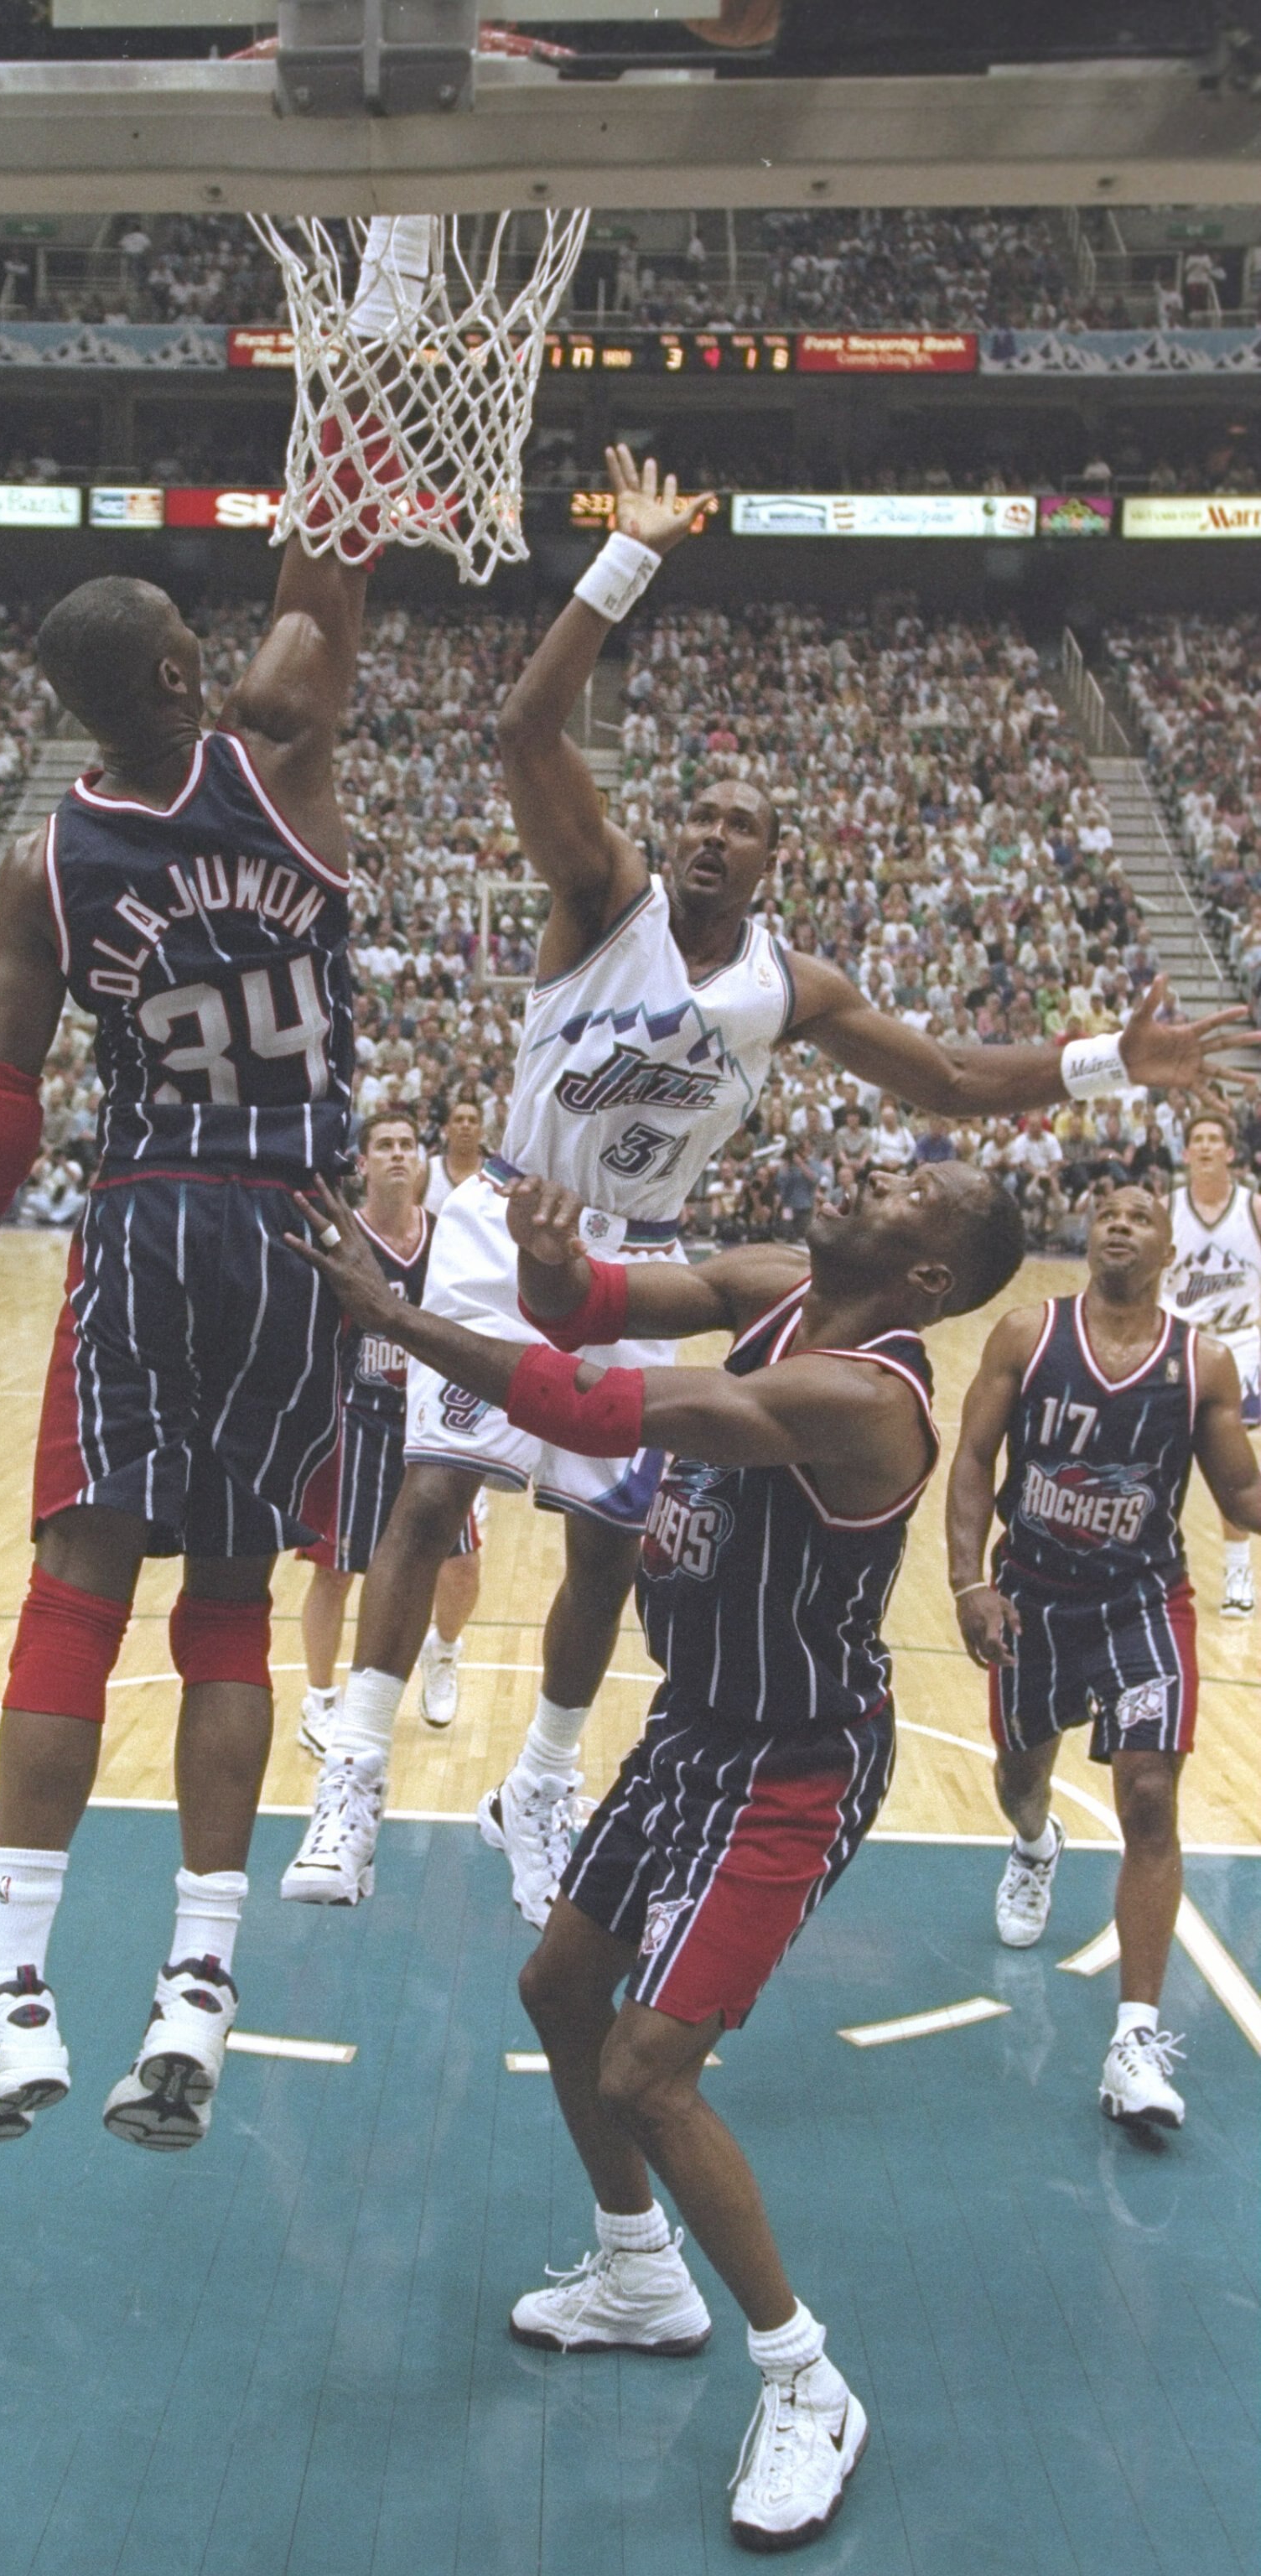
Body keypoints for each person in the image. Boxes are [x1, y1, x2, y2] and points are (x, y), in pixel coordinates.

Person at [285, 439, 1261, 1929]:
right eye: (699, 809)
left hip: (638, 1248)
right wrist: (630, 556)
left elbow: (941, 1080)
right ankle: (350, 1773)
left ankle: (538, 1783)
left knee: (611, 1540)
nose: (711, 828)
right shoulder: (597, 896)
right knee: (431, 1492)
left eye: (741, 819)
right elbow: (523, 725)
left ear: (771, 854)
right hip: (512, 1224)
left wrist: (1104, 1062)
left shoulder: (787, 984)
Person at [0, 214, 432, 2153]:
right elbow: (333, 533)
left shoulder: (44, 861)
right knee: (231, 1601)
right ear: (196, 665)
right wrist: (392, 281)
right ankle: (196, 1988)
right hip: (295, 1228)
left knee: (73, 1589)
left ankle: (10, 1997)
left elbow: (1, 1099)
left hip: (147, 1217)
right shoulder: (287, 755)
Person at [289, 1154, 1026, 2553]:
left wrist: (397, 1319)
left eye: (903, 1187)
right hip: (696, 1725)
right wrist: (553, 1256)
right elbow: (592, 1313)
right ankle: (638, 2274)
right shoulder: (772, 1287)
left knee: (646, 2066)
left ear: (927, 1274)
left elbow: (603, 1397)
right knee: (557, 1992)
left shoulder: (865, 1397)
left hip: (793, 1761)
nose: (864, 1168)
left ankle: (807, 2381)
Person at [949, 1179, 1261, 2135]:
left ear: (1169, 1249)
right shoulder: (1026, 1335)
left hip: (1140, 1599)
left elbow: (1242, 1499)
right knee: (1019, 1776)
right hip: (1033, 1595)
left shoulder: (1199, 1363)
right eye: (1106, 1213)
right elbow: (970, 1460)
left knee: (1151, 1796)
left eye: (1139, 1215)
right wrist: (968, 1583)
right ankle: (1034, 1843)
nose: (1119, 1221)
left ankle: (1133, 2040)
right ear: (1090, 1237)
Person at [297, 1105, 481, 1756]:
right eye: (385, 1144)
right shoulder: (339, 1239)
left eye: (408, 1143)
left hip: (435, 1425)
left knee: (460, 1568)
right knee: (335, 1572)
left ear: (422, 1160)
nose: (399, 1153)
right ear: (364, 1162)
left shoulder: (453, 1234)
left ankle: (444, 1651)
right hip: (356, 1426)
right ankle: (319, 1699)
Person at [1159, 1105, 1261, 1614]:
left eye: (1212, 1139)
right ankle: (1149, 1567)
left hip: (1241, 1343)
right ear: (1185, 1152)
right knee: (1155, 1459)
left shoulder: (1254, 1208)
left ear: (1229, 1152)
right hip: (1175, 1346)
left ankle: (1239, 1571)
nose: (1203, 1146)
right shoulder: (1164, 1209)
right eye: (1195, 1138)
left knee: (1231, 1461)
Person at [421, 1090, 485, 1213]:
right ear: (446, 1130)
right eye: (458, 1120)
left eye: (472, 1121)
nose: (465, 1125)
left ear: (481, 1132)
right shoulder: (426, 1171)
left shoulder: (494, 1175)